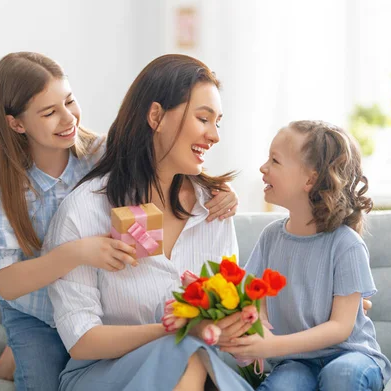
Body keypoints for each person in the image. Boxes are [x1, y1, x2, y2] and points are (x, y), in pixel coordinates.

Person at [0, 52, 240, 390]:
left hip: (85, 308)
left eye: (70, 101)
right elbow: (6, 284)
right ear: (17, 123)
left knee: (191, 355)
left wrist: (213, 187)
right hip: (35, 313)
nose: (67, 119)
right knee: (41, 377)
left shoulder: (98, 151)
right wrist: (76, 253)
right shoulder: (2, 190)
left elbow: (155, 157)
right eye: (49, 112)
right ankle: (14, 356)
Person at [44, 54, 254, 391]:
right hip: (102, 373)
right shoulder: (85, 211)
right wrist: (178, 329)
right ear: (156, 116)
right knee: (188, 352)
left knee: (193, 355)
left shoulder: (213, 211)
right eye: (203, 118)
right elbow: (83, 340)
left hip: (197, 365)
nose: (214, 135)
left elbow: (222, 310)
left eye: (218, 122)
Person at [220, 120, 391, 390]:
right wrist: (258, 331)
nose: (263, 168)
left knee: (342, 376)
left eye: (274, 161)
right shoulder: (271, 237)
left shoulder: (346, 244)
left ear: (310, 179)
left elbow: (340, 327)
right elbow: (255, 297)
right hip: (296, 361)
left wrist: (272, 345)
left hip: (351, 355)